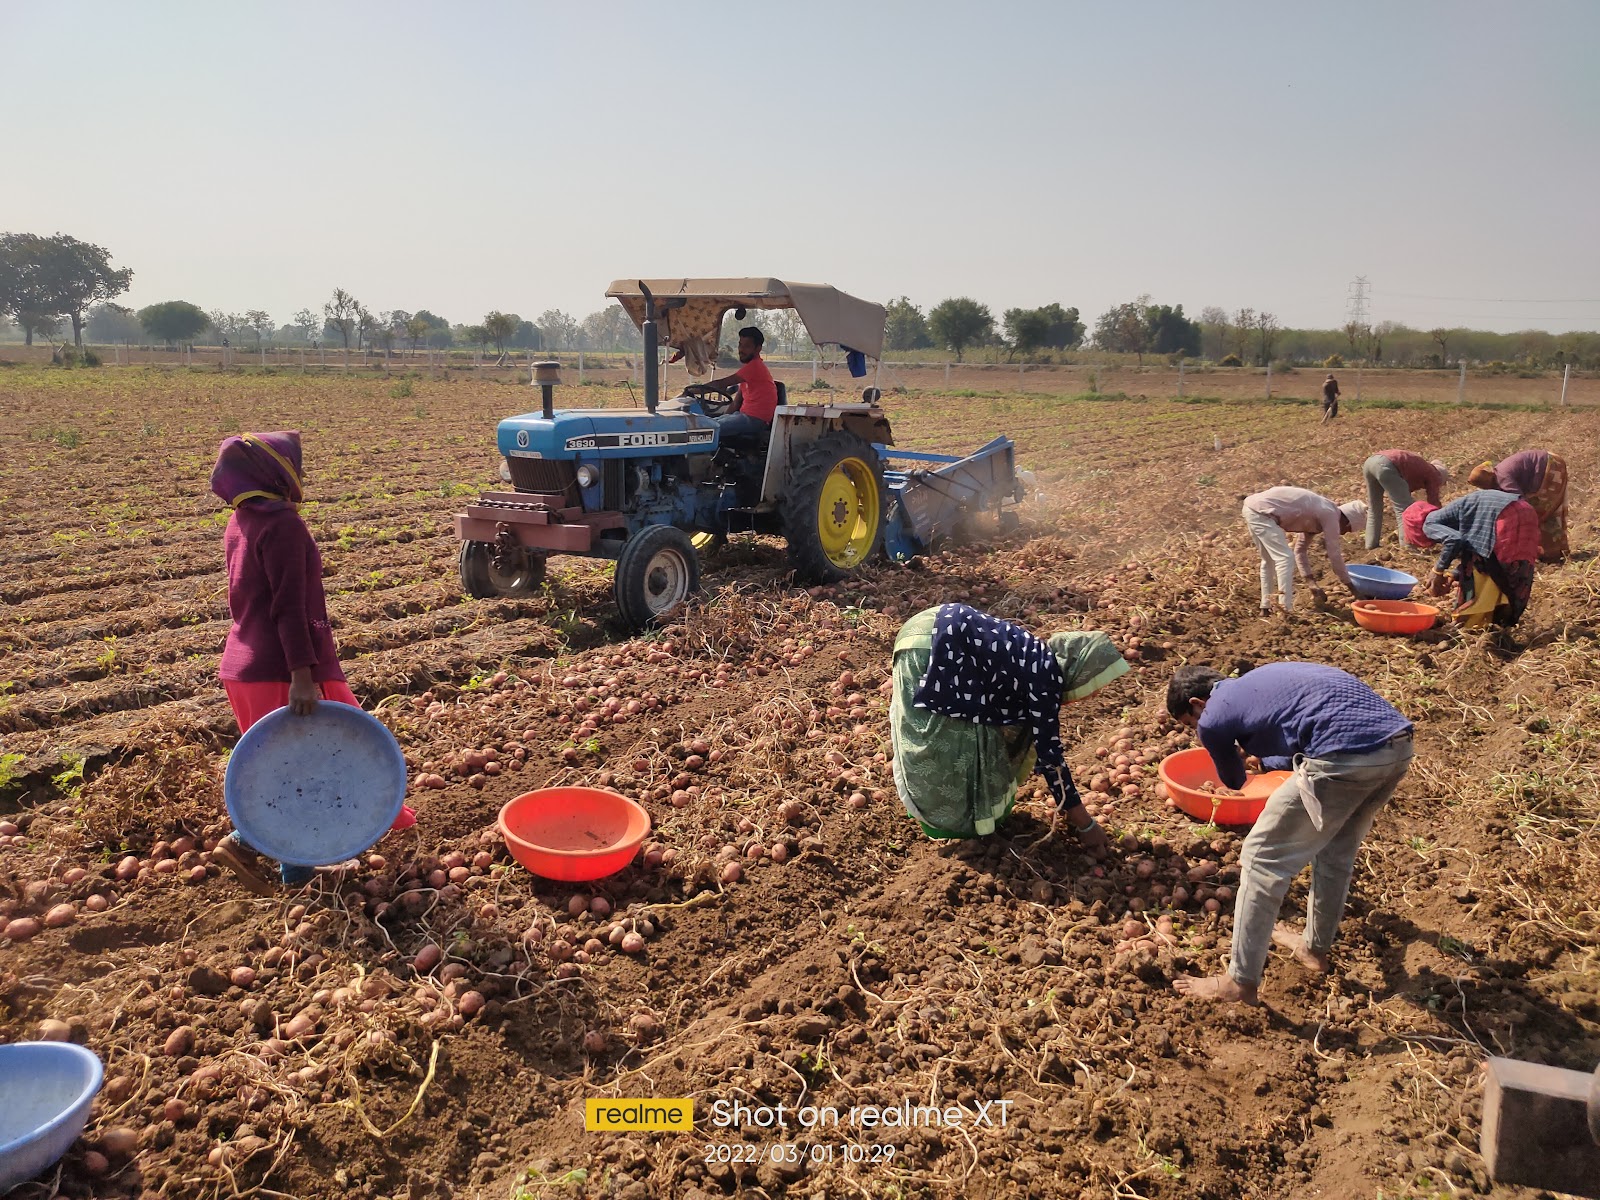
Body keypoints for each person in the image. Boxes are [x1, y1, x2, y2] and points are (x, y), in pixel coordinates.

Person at [207, 432, 415, 895]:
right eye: (295, 466)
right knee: (311, 765)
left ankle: (292, 864)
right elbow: (289, 608)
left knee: (284, 767)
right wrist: (302, 676)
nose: (300, 476)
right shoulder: (282, 525)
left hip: (243, 665)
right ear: (274, 472)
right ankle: (255, 848)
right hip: (282, 670)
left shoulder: (240, 521)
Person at [1166, 663, 1414, 1005]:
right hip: (1395, 747)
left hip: (1344, 756)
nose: (1196, 728)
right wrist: (1265, 761)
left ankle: (1239, 983)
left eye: (1189, 723)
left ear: (1197, 703)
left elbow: (1234, 781)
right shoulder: (1258, 682)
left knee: (1260, 857)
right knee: (1336, 850)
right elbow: (1301, 730)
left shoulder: (1211, 716)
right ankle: (1314, 950)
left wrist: (1234, 759)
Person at [890, 604, 1129, 852]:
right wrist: (1084, 823)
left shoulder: (1033, 656)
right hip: (936, 643)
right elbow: (1051, 757)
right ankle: (957, 824)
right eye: (1093, 687)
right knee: (960, 747)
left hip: (921, 631)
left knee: (933, 732)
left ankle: (932, 811)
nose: (1089, 697)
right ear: (1079, 674)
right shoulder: (1045, 679)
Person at [1402, 492, 1538, 628]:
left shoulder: (1428, 523)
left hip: (1503, 515)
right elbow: (1473, 551)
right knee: (1513, 567)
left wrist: (1437, 571)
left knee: (1490, 569)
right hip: (1525, 510)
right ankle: (1497, 620)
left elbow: (1454, 540)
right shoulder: (1456, 518)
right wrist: (1453, 575)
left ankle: (1469, 622)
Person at [1241, 487, 1367, 615]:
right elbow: (1334, 554)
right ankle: (1285, 610)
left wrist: (1311, 583)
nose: (1344, 534)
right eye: (1347, 530)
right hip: (1262, 512)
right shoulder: (1330, 515)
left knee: (1268, 560)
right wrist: (1352, 588)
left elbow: (1300, 551)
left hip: (1252, 509)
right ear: (1347, 522)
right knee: (1285, 558)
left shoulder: (1320, 514)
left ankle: (1265, 607)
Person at [685, 326, 779, 445]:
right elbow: (736, 403)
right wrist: (723, 418)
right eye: (740, 345)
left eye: (747, 346)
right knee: (709, 423)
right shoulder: (748, 370)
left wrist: (693, 391)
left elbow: (721, 383)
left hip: (754, 420)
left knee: (705, 430)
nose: (741, 349)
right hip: (743, 416)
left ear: (757, 349)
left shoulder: (754, 367)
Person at [1468, 450, 1568, 562]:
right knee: (1542, 513)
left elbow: (1520, 504)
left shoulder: (1502, 478)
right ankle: (1554, 551)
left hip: (1550, 465)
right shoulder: (1497, 476)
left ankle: (1552, 553)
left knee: (1541, 513)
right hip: (1548, 461)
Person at [1361, 451, 1448, 550]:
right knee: (1405, 509)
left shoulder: (1420, 468)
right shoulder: (1434, 474)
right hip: (1387, 465)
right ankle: (1407, 546)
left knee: (1374, 507)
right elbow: (1434, 503)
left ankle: (1370, 544)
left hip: (1370, 463)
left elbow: (1404, 489)